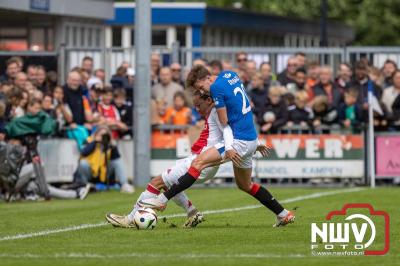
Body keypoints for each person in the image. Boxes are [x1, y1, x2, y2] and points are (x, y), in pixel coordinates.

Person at [139, 65, 295, 227]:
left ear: (206, 79)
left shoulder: (216, 88)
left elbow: (224, 122)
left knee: (198, 163)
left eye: (200, 87)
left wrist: (229, 147)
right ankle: (283, 214)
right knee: (245, 185)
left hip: (238, 141)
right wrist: (256, 142)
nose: (203, 92)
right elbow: (245, 108)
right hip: (250, 139)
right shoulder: (230, 75)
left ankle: (162, 200)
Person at [106, 90, 270, 228]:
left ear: (209, 100)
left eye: (199, 105)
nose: (197, 109)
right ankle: (192, 212)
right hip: (201, 160)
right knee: (169, 182)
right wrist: (255, 144)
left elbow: (232, 133)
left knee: (156, 182)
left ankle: (129, 219)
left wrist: (253, 144)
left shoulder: (217, 113)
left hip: (201, 161)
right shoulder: (213, 113)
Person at [77, 126, 134, 194]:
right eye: (101, 135)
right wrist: (95, 141)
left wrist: (112, 145)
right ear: (96, 134)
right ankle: (84, 186)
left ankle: (125, 184)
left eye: (105, 135)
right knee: (83, 163)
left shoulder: (109, 144)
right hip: (91, 171)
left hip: (103, 173)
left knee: (116, 161)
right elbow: (84, 153)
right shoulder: (89, 140)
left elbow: (116, 159)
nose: (102, 137)